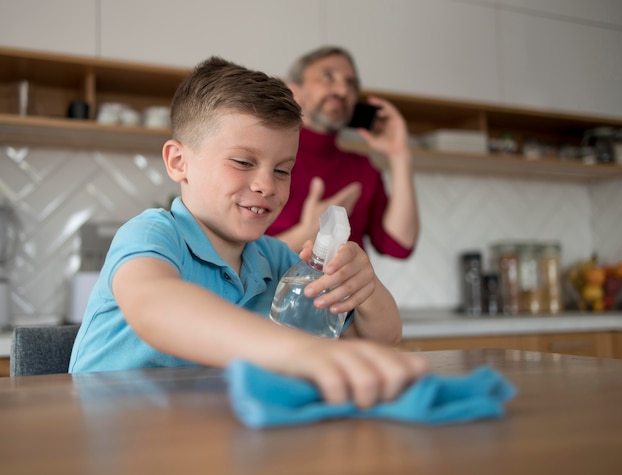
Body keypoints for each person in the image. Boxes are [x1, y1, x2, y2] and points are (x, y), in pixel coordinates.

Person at [69, 56, 427, 409]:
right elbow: (155, 307)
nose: (266, 185)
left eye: (283, 170)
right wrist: (296, 352)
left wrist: (365, 286)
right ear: (179, 162)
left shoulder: (281, 261)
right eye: (243, 162)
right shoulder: (152, 235)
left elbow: (382, 337)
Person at [266, 46, 419, 258]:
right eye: (328, 76)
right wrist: (307, 233)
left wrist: (399, 154)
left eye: (351, 84)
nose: (343, 91)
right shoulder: (266, 158)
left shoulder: (364, 169)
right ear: (294, 92)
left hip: (350, 291)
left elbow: (398, 246)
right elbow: (236, 256)